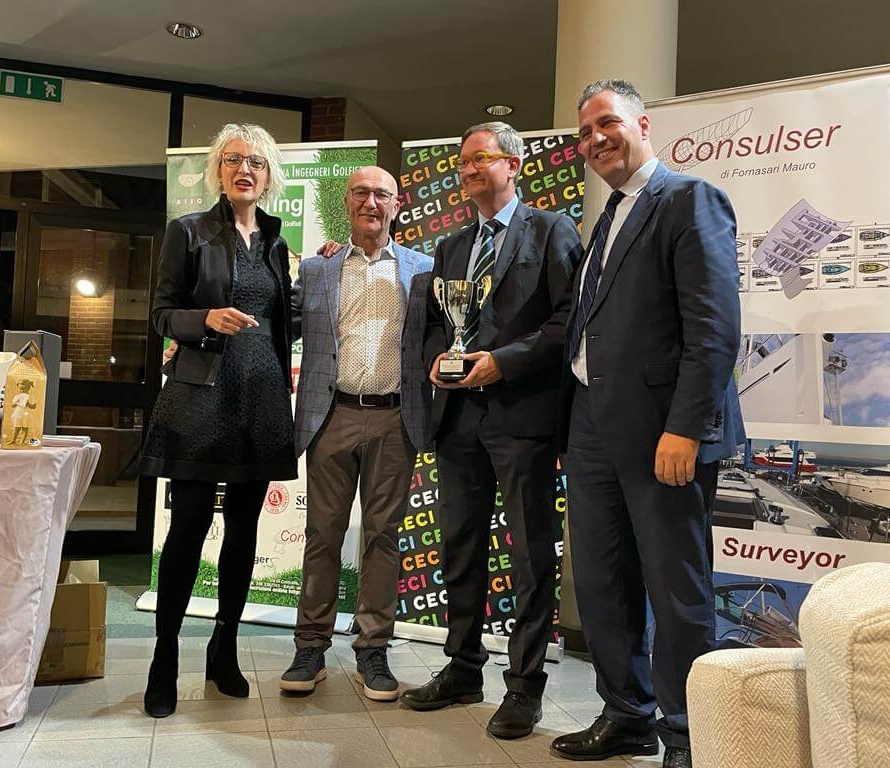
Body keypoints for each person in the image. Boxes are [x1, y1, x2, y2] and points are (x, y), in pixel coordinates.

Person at [551, 80, 743, 768]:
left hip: (664, 431)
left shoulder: (689, 199)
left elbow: (714, 329)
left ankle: (689, 735)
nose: (595, 139)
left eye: (607, 123)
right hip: (592, 427)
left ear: (642, 124)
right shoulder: (606, 217)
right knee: (602, 580)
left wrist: (686, 428)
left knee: (675, 588)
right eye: (584, 132)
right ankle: (626, 714)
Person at [402, 121, 578, 739]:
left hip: (522, 416)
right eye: (462, 162)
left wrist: (502, 362)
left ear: (514, 164)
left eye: (481, 158)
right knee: (459, 547)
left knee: (530, 553)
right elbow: (433, 321)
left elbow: (568, 320)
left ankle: (525, 686)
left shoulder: (551, 230)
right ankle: (462, 667)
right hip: (458, 418)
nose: (469, 169)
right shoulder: (452, 246)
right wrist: (437, 359)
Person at [139, 123, 296, 718]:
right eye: (232, 160)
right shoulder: (188, 231)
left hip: (261, 397)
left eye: (255, 161)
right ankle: (164, 658)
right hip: (201, 397)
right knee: (188, 528)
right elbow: (161, 314)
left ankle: (223, 648)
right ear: (218, 171)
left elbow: (285, 323)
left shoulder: (277, 242)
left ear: (268, 173)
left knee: (244, 530)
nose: (243, 169)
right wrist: (205, 318)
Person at [278, 166, 434, 701]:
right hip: (331, 415)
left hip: (395, 419)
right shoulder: (318, 269)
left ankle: (373, 650)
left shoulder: (424, 271)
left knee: (383, 537)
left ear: (397, 204)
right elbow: (280, 327)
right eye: (361, 193)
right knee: (322, 535)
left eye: (381, 195)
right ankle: (310, 647)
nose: (371, 202)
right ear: (347, 202)